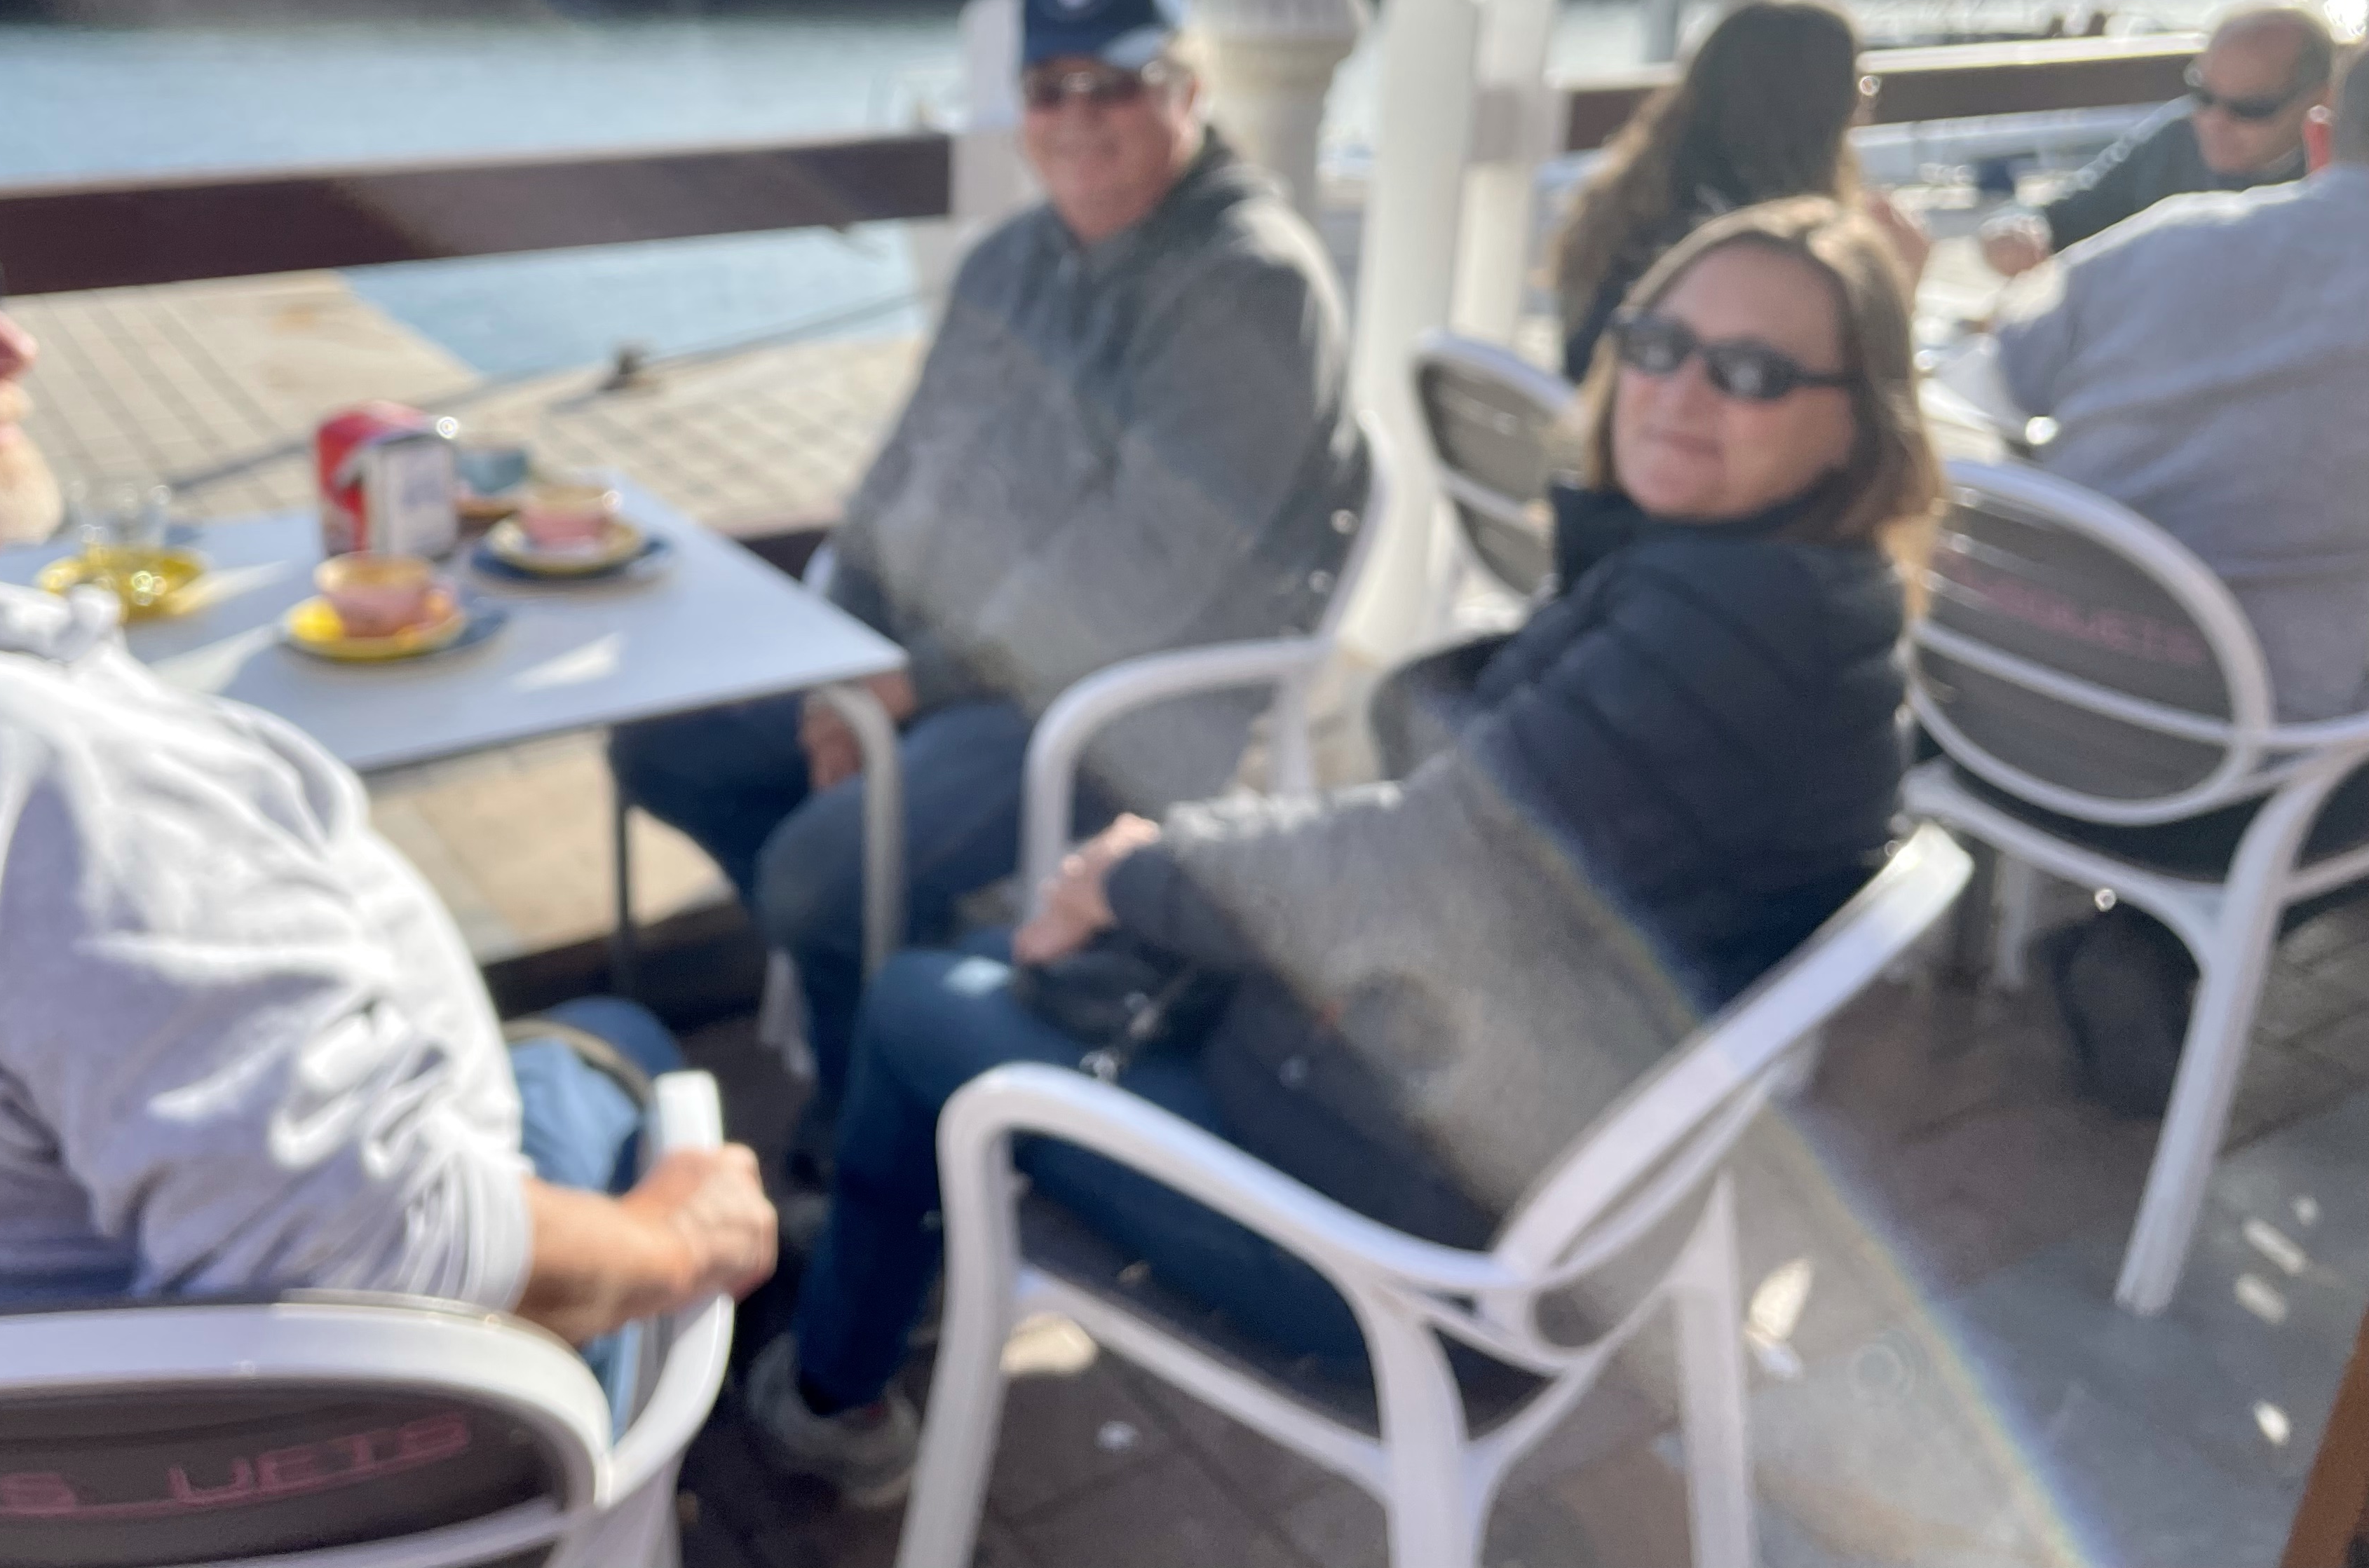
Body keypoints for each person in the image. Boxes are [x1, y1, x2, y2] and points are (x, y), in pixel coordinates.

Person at [0, 105, 775, 1505]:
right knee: (611, 1052)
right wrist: (678, 1239)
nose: (12, 347)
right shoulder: (3, 773)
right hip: (290, 1490)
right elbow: (386, 1257)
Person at [742, 197, 1938, 1500]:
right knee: (1059, 956)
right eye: (1658, 344)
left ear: (1856, 424)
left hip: (1392, 1257)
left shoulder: (1721, 627)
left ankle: (834, 1395)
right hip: (1507, 1161)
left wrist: (1132, 870)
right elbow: (1474, 855)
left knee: (922, 1003)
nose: (1679, 392)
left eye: (1752, 371)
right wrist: (1178, 871)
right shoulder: (1809, 606)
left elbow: (1418, 871)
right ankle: (899, 1252)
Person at [609, 0, 1362, 1136]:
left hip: (1103, 708)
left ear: (1187, 90)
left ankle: (877, 1121)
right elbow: (895, 480)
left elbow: (1139, 574)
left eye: (1116, 84)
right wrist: (843, 658)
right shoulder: (1011, 259)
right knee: (665, 747)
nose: (1079, 116)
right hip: (924, 669)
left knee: (819, 870)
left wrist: (907, 685)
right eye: (1050, 88)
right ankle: (887, 1002)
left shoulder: (1246, 286)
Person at [1966, 46, 2369, 1112]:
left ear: (2317, 135)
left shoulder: (2155, 242)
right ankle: (2154, 949)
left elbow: (1994, 387)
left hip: (2000, 719)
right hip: (2223, 791)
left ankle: (2093, 947)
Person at [1549, 0, 1927, 383]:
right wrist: (1889, 286)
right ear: (1827, 112)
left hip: (1605, 411)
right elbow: (1841, 393)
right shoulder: (1758, 249)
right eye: (1860, 85)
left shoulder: (1638, 201)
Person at [1978, 0, 2337, 277]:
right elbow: (2060, 218)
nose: (2214, 121)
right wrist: (2017, 230)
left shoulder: (2346, 175)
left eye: (2250, 108)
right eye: (2203, 95)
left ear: (2321, 101)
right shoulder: (2173, 142)